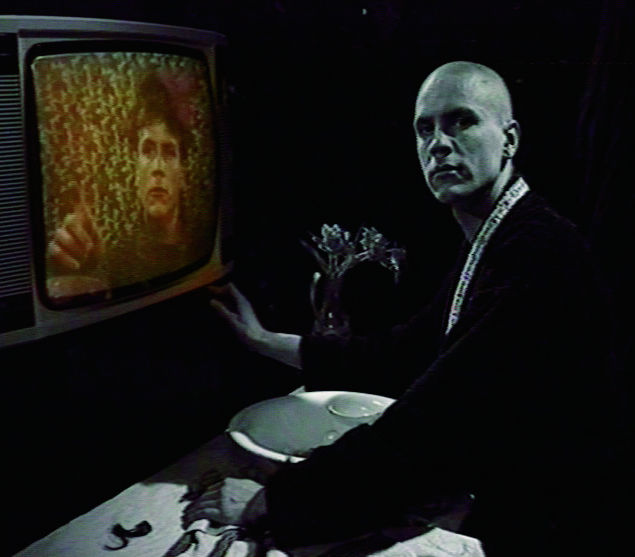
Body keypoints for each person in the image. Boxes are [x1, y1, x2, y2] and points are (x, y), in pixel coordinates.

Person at [185, 62, 630, 555]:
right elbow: (408, 353)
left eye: (462, 121)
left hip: (566, 528)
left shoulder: (538, 252)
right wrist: (265, 342)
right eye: (425, 129)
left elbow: (435, 421)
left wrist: (271, 502)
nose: (439, 144)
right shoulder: (495, 236)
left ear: (509, 139)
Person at [46, 73, 192, 291]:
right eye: (147, 150)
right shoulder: (114, 258)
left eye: (170, 152)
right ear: (135, 170)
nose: (158, 167)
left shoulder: (199, 244)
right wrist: (71, 273)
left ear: (183, 172)